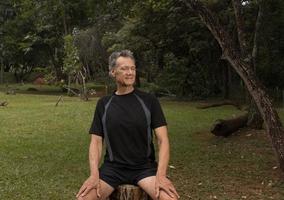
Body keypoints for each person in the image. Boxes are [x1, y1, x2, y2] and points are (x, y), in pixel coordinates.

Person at [76, 50, 179, 200]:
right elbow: (96, 142)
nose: (130, 72)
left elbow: (163, 140)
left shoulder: (149, 101)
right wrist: (94, 175)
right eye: (124, 68)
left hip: (144, 168)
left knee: (170, 199)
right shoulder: (104, 104)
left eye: (132, 68)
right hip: (113, 169)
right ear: (113, 72)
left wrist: (161, 175)